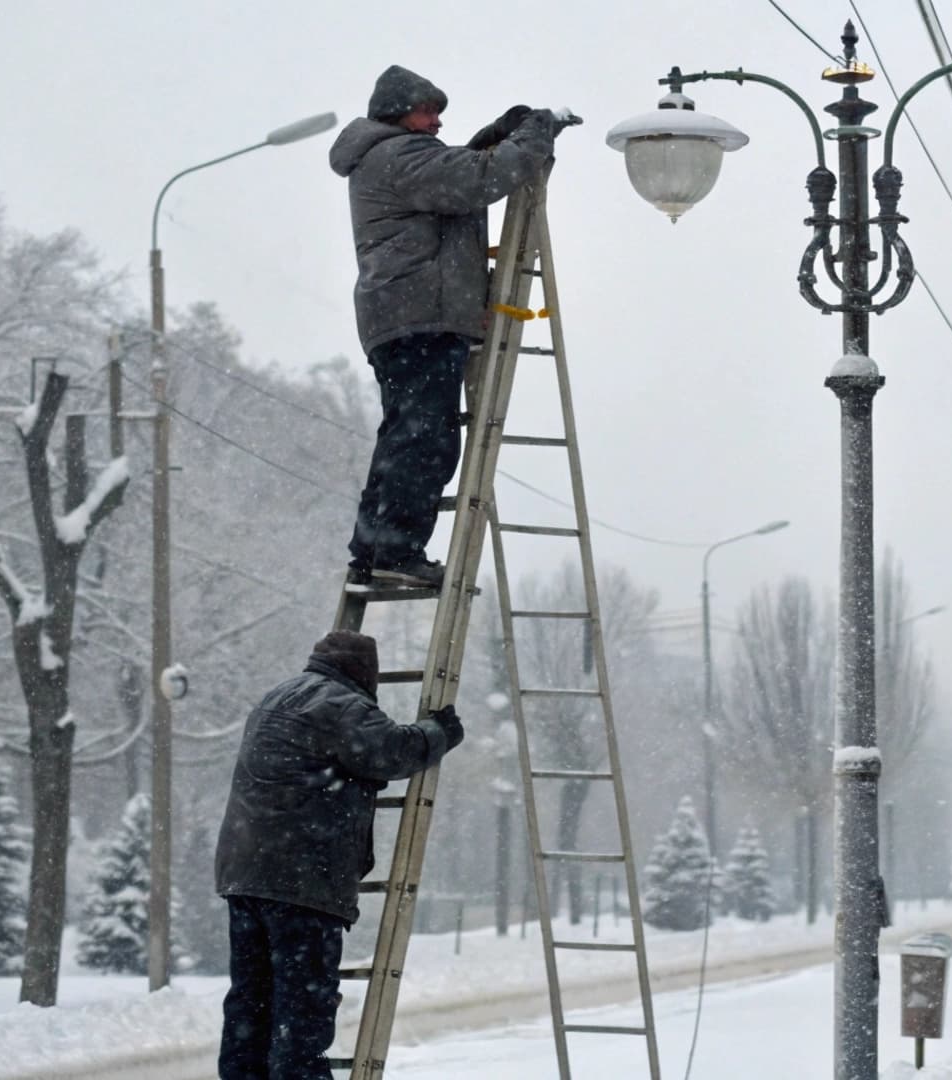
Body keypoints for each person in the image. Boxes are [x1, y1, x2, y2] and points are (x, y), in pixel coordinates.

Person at [329, 65, 560, 588]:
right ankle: (394, 550)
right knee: (424, 437)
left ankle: (374, 550)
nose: (436, 122)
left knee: (407, 433)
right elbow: (475, 180)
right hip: (420, 316)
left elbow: (458, 169)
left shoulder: (389, 158)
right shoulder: (397, 156)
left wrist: (496, 136)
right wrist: (532, 138)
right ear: (398, 113)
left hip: (406, 315)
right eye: (428, 111)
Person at [213, 630, 464, 1079]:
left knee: (250, 1005)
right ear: (365, 674)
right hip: (301, 883)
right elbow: (391, 752)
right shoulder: (343, 706)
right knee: (302, 1010)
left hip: (245, 873)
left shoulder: (277, 696)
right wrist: (439, 732)